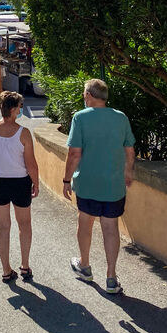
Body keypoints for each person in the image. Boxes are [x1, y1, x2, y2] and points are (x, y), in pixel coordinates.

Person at [63, 78, 135, 294]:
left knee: (85, 223)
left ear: (89, 95)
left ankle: (85, 266)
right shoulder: (120, 118)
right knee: (110, 228)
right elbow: (129, 150)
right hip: (113, 184)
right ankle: (111, 277)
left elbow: (74, 153)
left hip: (88, 182)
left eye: (85, 94)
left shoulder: (80, 118)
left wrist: (66, 180)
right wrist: (128, 172)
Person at [0, 91, 39, 283]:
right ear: (13, 110)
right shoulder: (24, 133)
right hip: (20, 182)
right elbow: (31, 163)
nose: (21, 110)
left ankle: (6, 270)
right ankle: (25, 265)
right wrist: (36, 183)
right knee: (24, 224)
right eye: (20, 107)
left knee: (2, 227)